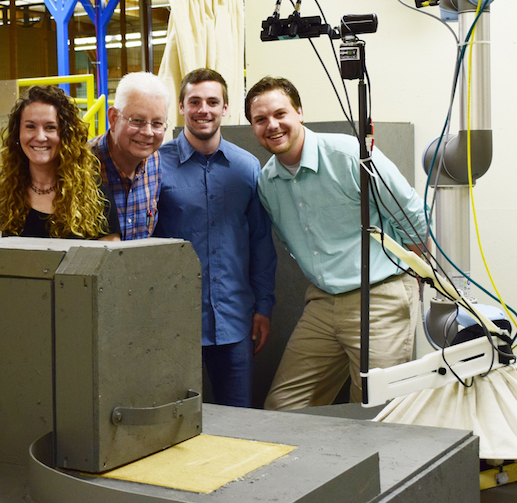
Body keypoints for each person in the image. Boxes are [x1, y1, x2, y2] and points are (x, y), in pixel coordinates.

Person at [245, 76, 429, 409]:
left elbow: (411, 212)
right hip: (322, 303)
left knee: (375, 412)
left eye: (280, 113)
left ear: (299, 112)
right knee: (282, 408)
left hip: (381, 298)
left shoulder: (348, 155)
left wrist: (416, 273)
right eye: (260, 119)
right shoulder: (267, 182)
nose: (272, 125)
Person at [154, 69, 277, 408]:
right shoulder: (155, 167)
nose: (203, 110)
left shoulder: (247, 167)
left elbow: (261, 245)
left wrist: (264, 306)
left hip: (235, 323)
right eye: (194, 101)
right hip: (173, 323)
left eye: (212, 102)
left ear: (225, 108)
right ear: (181, 106)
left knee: (237, 423)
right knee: (173, 425)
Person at [0, 85, 120, 240]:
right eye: (30, 127)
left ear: (66, 135)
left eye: (50, 127)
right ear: (18, 134)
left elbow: (111, 259)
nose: (40, 137)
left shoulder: (95, 196)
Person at [88, 71, 169, 240]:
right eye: (137, 121)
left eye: (157, 123)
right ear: (113, 119)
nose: (148, 132)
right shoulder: (81, 166)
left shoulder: (155, 162)